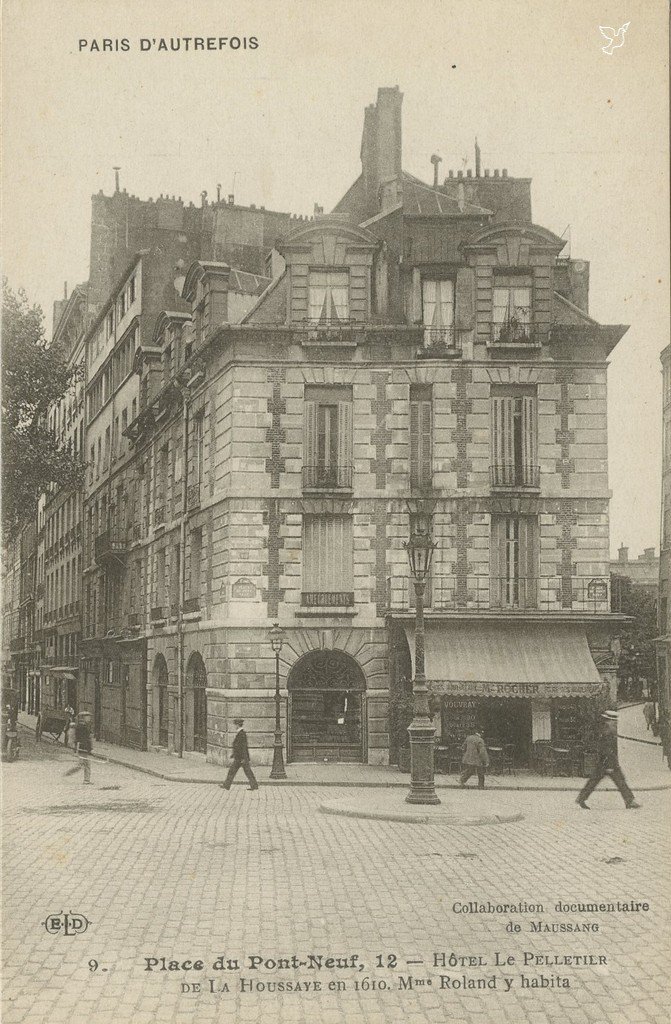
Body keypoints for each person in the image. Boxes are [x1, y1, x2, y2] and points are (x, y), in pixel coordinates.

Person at [576, 710, 640, 810]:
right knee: (617, 781)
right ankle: (629, 801)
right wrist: (609, 765)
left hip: (608, 761)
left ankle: (581, 798)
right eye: (614, 722)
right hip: (607, 762)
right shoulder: (606, 731)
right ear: (608, 721)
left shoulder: (608, 730)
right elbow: (605, 749)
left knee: (598, 781)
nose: (616, 724)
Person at [220, 719, 259, 791]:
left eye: (235, 725)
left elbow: (243, 747)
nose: (235, 726)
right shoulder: (240, 733)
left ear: (237, 725)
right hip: (240, 757)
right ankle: (254, 785)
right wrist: (234, 754)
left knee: (239, 771)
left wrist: (243, 758)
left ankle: (226, 785)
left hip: (241, 758)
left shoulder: (241, 734)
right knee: (243, 771)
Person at [64, 712, 93, 784]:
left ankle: (86, 780)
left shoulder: (83, 726)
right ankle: (70, 773)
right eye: (88, 717)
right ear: (83, 718)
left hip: (83, 747)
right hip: (83, 747)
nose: (89, 718)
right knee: (83, 764)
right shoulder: (81, 726)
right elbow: (83, 738)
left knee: (84, 764)